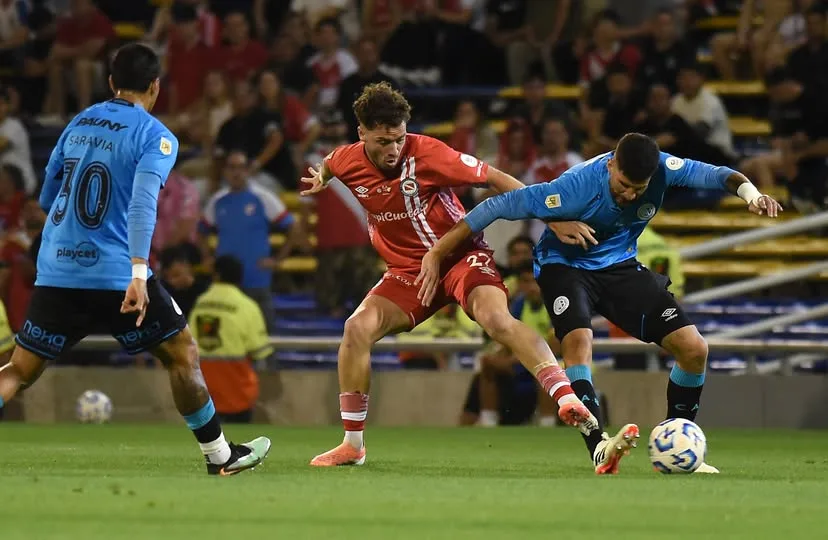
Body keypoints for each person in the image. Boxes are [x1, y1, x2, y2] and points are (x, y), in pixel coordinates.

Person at [418, 133, 784, 475]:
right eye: (623, 185)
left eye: (637, 189)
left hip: (618, 265)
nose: (628, 195)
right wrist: (437, 252)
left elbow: (721, 175)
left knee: (694, 349)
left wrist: (751, 195)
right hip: (564, 265)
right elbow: (498, 204)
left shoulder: (665, 170)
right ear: (611, 165)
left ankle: (681, 441)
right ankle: (598, 445)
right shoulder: (575, 187)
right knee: (578, 342)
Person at [0, 43, 270, 475]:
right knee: (182, 354)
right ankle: (220, 456)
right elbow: (143, 204)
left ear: (111, 82)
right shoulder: (154, 136)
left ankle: (222, 456)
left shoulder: (78, 123)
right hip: (116, 277)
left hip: (57, 272)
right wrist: (140, 273)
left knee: (18, 369)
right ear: (155, 87)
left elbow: (49, 196)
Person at [300, 82, 597, 467]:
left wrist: (552, 218)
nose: (393, 149)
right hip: (408, 272)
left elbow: (495, 177)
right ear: (362, 134)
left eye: (398, 138)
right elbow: (331, 162)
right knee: (356, 329)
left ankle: (565, 397)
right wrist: (323, 176)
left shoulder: (428, 152)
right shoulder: (345, 159)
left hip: (460, 257)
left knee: (496, 320)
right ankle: (353, 444)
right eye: (382, 141)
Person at [189, 255, 274, 424]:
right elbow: (260, 351)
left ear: (216, 274)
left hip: (203, 389)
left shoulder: (200, 303)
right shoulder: (247, 306)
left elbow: (189, 343)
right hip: (237, 391)